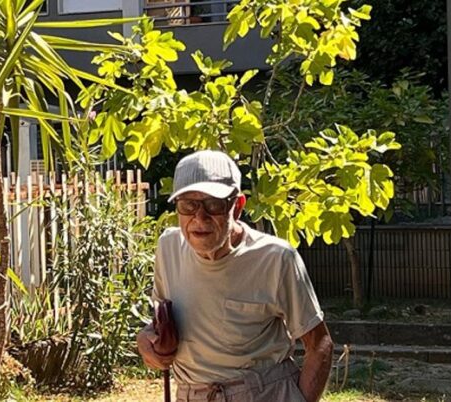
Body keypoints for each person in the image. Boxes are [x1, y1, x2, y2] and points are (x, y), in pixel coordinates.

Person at [137, 150, 333, 402]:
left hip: (264, 393)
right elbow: (162, 322)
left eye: (214, 204)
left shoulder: (275, 258)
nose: (200, 217)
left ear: (237, 206)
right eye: (188, 205)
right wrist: (144, 340)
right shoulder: (168, 248)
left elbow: (319, 344)